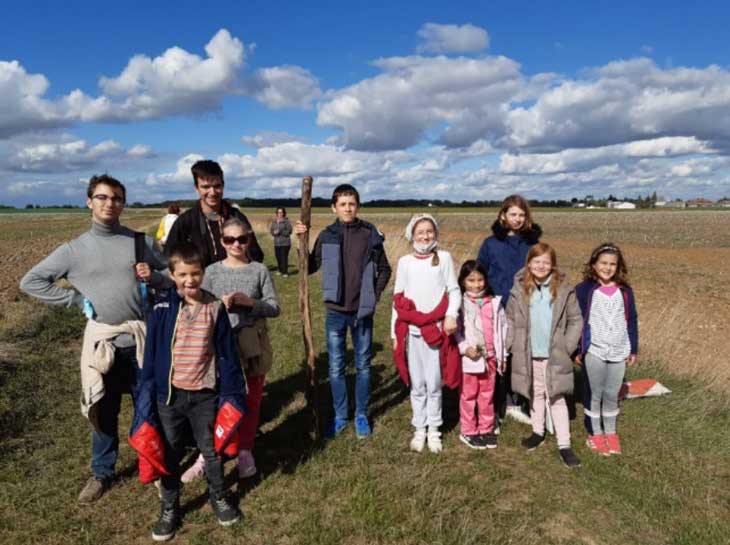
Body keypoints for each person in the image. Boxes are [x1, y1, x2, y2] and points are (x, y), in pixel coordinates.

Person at [19, 174, 171, 503]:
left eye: (116, 198)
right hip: (103, 346)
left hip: (141, 341)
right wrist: (74, 300)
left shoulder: (139, 242)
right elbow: (31, 281)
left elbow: (174, 274)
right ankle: (102, 472)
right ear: (89, 202)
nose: (109, 203)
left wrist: (156, 276)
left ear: (123, 204)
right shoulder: (73, 251)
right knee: (103, 410)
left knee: (149, 409)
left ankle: (154, 466)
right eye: (102, 197)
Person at [138, 243, 245, 540]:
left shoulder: (215, 307)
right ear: (172, 275)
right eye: (183, 274)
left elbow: (227, 353)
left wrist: (232, 393)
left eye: (195, 273)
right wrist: (148, 391)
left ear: (203, 273)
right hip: (169, 397)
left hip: (204, 396)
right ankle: (169, 507)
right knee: (170, 452)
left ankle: (219, 497)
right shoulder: (162, 309)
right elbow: (151, 354)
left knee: (211, 451)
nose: (190, 280)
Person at [181, 218, 279, 482]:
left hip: (252, 346)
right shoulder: (211, 272)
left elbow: (274, 307)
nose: (236, 244)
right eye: (230, 239)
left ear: (249, 239)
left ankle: (245, 451)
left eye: (242, 239)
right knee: (214, 403)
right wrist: (217, 306)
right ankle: (208, 455)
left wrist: (251, 303)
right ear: (222, 242)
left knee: (251, 400)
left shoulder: (259, 270)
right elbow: (196, 308)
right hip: (218, 348)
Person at [294, 184, 391, 438]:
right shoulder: (327, 235)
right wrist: (300, 242)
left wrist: (373, 296)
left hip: (362, 312)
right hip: (335, 312)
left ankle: (361, 415)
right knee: (336, 367)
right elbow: (308, 267)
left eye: (352, 204)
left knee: (363, 365)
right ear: (333, 208)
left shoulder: (370, 233)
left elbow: (385, 269)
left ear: (358, 206)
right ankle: (340, 416)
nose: (348, 208)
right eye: (343, 204)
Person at [505, 243, 583, 468]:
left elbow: (576, 320)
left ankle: (564, 444)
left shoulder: (564, 290)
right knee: (535, 393)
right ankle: (537, 432)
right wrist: (511, 344)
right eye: (536, 261)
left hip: (554, 354)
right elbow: (510, 319)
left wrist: (567, 347)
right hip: (528, 353)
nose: (541, 266)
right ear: (529, 263)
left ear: (553, 265)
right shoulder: (519, 290)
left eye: (546, 262)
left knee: (556, 397)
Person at [391, 214, 460, 453]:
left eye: (429, 231)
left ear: (435, 233)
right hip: (412, 333)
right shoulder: (405, 262)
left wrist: (451, 315)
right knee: (418, 383)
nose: (425, 236)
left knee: (434, 383)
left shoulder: (444, 258)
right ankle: (419, 428)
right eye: (420, 232)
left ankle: (434, 430)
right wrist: (394, 334)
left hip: (436, 332)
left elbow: (454, 290)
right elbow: (398, 299)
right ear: (412, 235)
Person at [476, 195, 542, 428]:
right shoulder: (490, 244)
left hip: (525, 308)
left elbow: (542, 273)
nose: (517, 219)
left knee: (518, 357)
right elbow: (480, 274)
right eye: (513, 214)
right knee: (496, 357)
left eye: (522, 215)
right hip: (496, 308)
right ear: (503, 216)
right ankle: (493, 405)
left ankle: (515, 402)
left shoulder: (532, 245)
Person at [575, 243, 638, 456]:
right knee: (595, 392)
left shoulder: (625, 291)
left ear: (618, 267)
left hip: (619, 349)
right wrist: (577, 349)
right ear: (593, 265)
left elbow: (631, 320)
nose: (608, 268)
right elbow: (577, 320)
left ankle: (610, 433)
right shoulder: (584, 290)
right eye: (603, 263)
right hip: (594, 349)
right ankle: (595, 433)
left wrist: (633, 349)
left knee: (611, 393)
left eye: (612, 264)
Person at [165, 159, 263, 267]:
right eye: (205, 187)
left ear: (223, 186)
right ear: (196, 188)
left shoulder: (237, 217)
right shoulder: (185, 222)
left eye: (217, 186)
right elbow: (169, 260)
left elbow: (256, 255)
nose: (212, 192)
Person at [454, 260, 507, 450]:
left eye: (480, 280)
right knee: (468, 395)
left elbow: (502, 330)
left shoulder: (494, 303)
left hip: (490, 358)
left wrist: (502, 356)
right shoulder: (459, 304)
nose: (476, 285)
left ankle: (486, 428)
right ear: (463, 281)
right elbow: (456, 332)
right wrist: (464, 348)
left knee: (487, 395)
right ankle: (468, 430)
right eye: (471, 280)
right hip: (470, 359)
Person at [269, 207, 293, 276]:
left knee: (283, 258)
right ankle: (280, 270)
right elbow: (271, 230)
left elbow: (289, 231)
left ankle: (285, 272)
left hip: (285, 243)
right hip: (277, 243)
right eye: (278, 212)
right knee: (278, 257)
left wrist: (280, 231)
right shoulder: (274, 222)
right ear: (276, 213)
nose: (280, 214)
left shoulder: (286, 222)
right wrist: (274, 233)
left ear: (284, 213)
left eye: (281, 212)